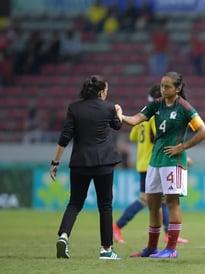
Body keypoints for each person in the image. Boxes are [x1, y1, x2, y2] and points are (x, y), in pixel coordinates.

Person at [120, 71, 205, 258]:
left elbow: (203, 131)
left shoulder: (185, 107)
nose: (163, 89)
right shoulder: (156, 105)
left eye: (168, 86)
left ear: (178, 88)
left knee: (172, 203)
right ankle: (151, 248)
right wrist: (120, 116)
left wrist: (182, 147)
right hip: (155, 161)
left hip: (173, 162)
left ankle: (171, 249)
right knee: (153, 205)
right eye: (162, 85)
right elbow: (135, 120)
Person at [50, 74, 123, 260]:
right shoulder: (108, 108)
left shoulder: (74, 108)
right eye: (106, 90)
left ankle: (64, 237)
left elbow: (65, 137)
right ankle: (106, 249)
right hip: (104, 163)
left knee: (75, 202)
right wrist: (119, 112)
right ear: (100, 91)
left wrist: (55, 162)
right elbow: (117, 125)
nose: (107, 93)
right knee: (105, 206)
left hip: (80, 163)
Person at [113, 84, 189, 246]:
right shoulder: (157, 116)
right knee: (149, 200)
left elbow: (133, 136)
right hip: (154, 163)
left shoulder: (143, 118)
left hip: (142, 162)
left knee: (161, 200)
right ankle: (117, 226)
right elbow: (163, 135)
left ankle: (169, 234)